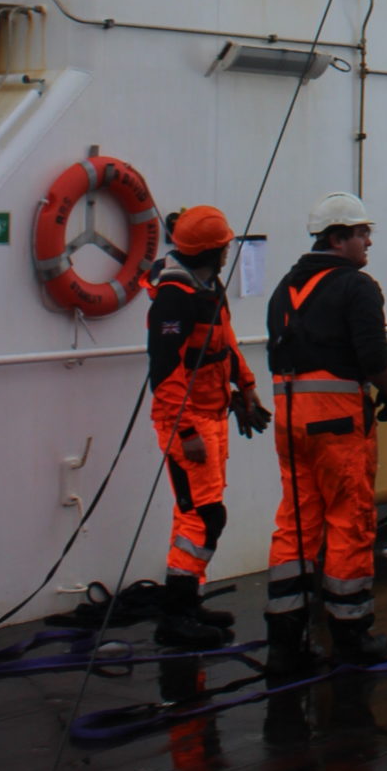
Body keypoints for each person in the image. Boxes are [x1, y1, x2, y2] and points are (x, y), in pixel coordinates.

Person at [264, 191, 387, 678]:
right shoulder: (356, 287)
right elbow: (372, 353)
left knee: (296, 525)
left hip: (289, 423)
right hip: (338, 426)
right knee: (350, 521)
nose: (368, 242)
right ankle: (351, 636)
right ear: (337, 239)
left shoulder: (284, 288)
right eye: (362, 233)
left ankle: (284, 643)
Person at [147, 204, 270, 651]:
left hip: (212, 413)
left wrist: (246, 387)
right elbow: (165, 371)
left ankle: (188, 604)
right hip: (186, 421)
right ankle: (176, 616)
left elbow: (224, 340)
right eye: (222, 248)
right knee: (199, 517)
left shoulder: (206, 286)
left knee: (207, 514)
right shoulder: (174, 297)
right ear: (210, 251)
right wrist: (185, 433)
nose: (226, 256)